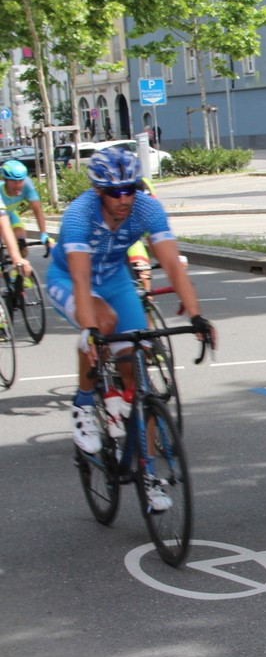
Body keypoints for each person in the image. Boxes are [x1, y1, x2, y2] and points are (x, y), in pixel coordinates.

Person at [47, 147, 214, 510]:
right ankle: (83, 402)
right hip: (72, 278)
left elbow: (171, 263)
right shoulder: (79, 215)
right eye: (115, 192)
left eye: (130, 189)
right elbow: (79, 277)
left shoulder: (146, 206)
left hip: (116, 280)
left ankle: (149, 475)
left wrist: (197, 316)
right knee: (102, 324)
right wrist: (90, 331)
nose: (124, 198)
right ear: (98, 191)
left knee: (137, 366)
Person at [1, 160, 51, 253]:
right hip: (2, 217)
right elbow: (3, 224)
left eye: (20, 181)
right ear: (5, 180)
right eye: (14, 181)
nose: (18, 185)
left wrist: (43, 233)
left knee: (21, 241)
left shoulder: (27, 184)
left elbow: (37, 209)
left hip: (10, 213)